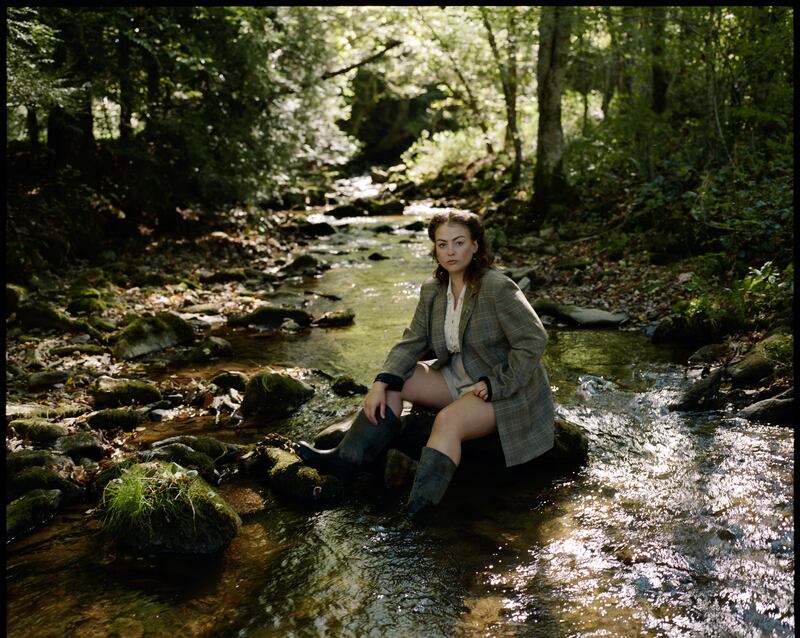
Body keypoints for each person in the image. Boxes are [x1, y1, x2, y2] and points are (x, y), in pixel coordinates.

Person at [297, 209, 554, 517]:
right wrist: (380, 382)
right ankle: (346, 461)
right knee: (397, 381)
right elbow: (413, 341)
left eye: (459, 243)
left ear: (475, 245)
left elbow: (533, 340)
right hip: (458, 374)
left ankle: (419, 510)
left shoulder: (497, 287)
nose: (450, 251)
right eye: (442, 244)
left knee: (447, 421)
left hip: (505, 388)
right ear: (435, 248)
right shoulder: (433, 291)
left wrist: (495, 383)